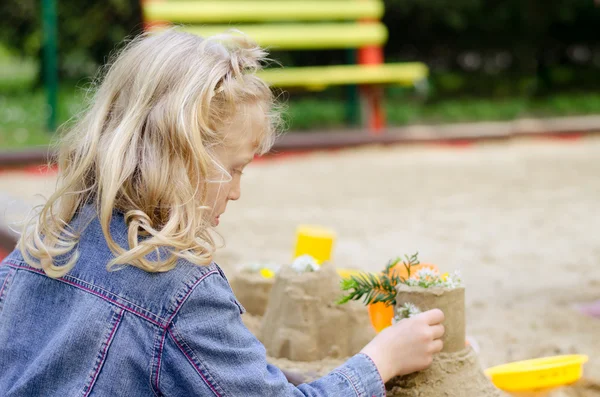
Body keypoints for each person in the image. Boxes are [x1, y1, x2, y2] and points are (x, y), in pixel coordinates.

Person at [0, 29, 445, 396]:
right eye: (234, 170)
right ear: (181, 159)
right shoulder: (177, 287)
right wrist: (381, 358)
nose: (235, 192)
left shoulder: (46, 239)